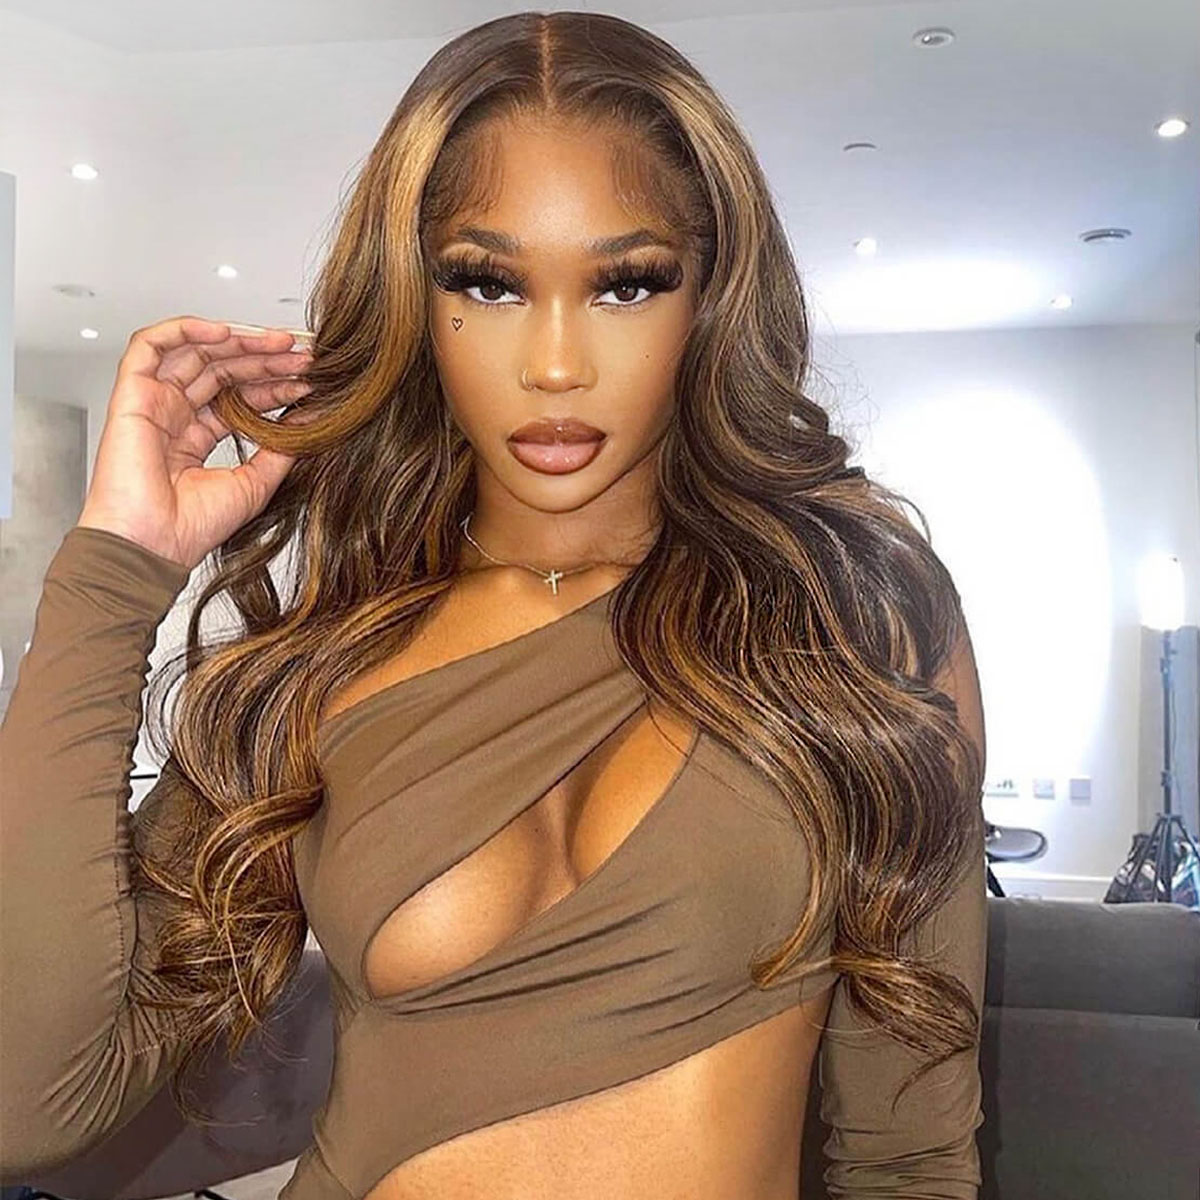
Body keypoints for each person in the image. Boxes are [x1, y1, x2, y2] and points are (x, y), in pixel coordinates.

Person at [0, 11, 989, 1199]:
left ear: (711, 295)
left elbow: (909, 1153)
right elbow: (29, 1101)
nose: (555, 363)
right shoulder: (325, 661)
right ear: (416, 300)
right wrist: (116, 571)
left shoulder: (857, 616)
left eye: (625, 284)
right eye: (488, 282)